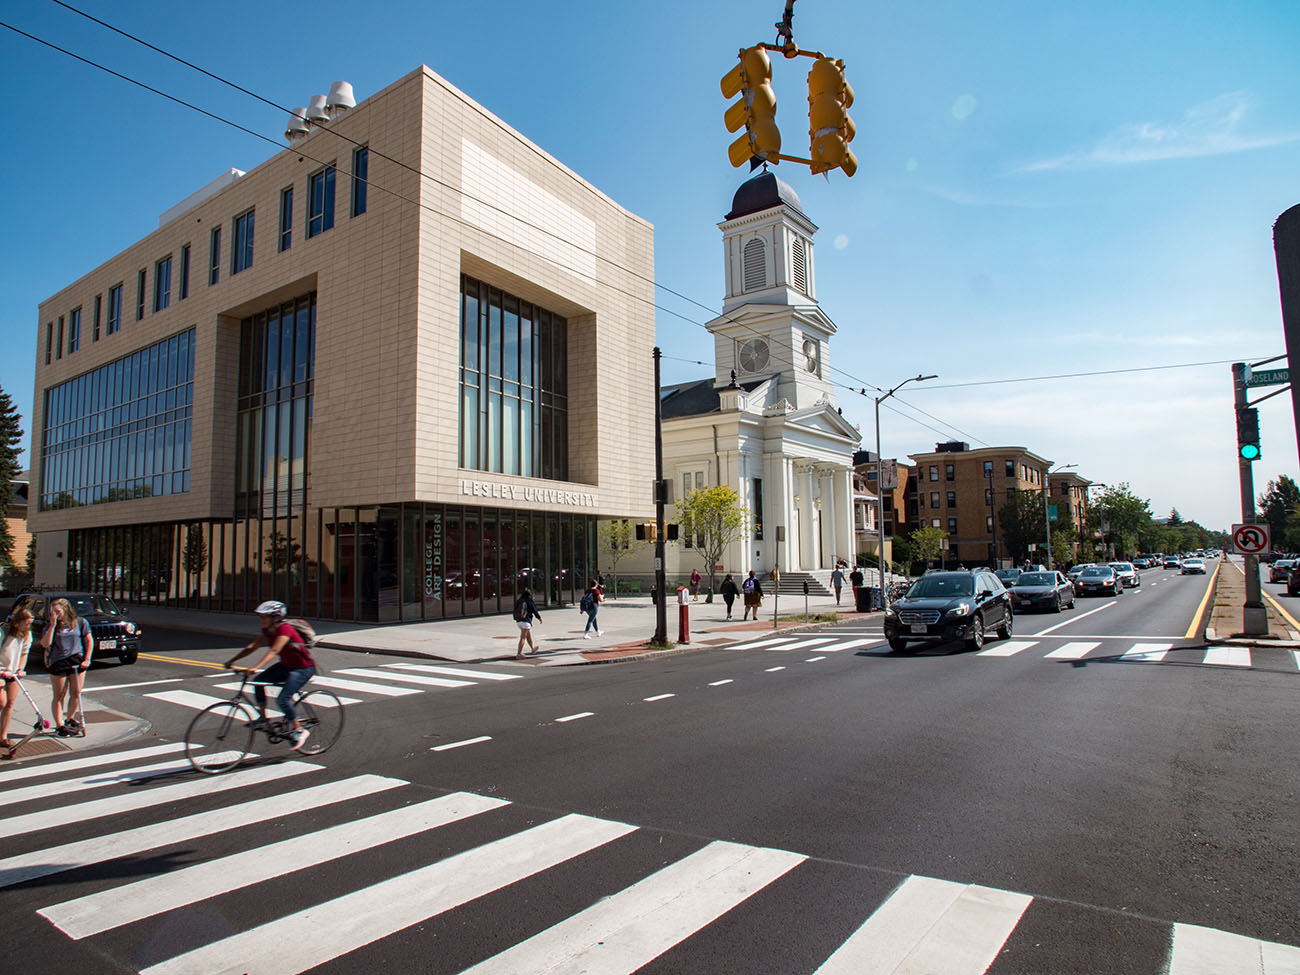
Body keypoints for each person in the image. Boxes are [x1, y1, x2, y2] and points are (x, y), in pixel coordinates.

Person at [224, 601, 316, 751]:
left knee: (283, 699)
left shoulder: (285, 629)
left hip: (302, 668)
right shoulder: (268, 630)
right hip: (286, 666)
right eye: (261, 617)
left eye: (264, 617)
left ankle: (299, 730)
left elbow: (274, 650)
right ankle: (263, 719)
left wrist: (255, 667)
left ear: (275, 617)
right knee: (258, 682)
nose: (262, 620)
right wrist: (232, 660)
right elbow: (252, 646)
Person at [40, 598, 93, 737]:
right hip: (59, 660)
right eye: (53, 612)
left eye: (58, 611)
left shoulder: (80, 622)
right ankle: (59, 724)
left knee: (76, 692)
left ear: (65, 609)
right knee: (59, 695)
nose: (56, 614)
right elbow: (45, 644)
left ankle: (70, 718)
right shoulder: (51, 625)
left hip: (76, 658)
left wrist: (87, 658)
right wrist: (52, 625)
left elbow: (89, 640)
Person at [0, 608, 34, 749]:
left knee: (10, 703)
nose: (28, 626)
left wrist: (20, 669)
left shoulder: (26, 635)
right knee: (2, 702)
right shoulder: (4, 632)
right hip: (1, 671)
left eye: (29, 624)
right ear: (18, 622)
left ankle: (3, 736)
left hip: (13, 673)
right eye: (26, 623)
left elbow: (24, 653)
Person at [514, 587, 542, 657]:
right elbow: (534, 610)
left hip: (518, 621)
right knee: (523, 637)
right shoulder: (529, 601)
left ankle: (533, 648)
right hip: (526, 621)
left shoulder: (519, 600)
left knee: (528, 636)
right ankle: (519, 653)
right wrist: (539, 618)